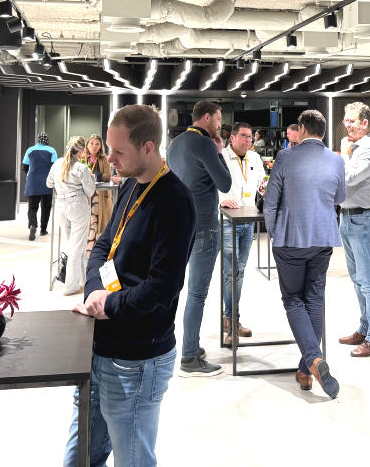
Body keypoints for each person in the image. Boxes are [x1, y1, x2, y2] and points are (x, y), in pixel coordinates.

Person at [65, 104, 195, 467]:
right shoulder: (129, 186)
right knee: (81, 455)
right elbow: (103, 245)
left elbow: (162, 287)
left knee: (132, 459)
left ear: (148, 147)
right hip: (100, 345)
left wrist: (109, 305)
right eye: (109, 148)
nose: (109, 158)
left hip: (137, 360)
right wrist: (94, 291)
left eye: (119, 151)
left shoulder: (174, 201)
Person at [263, 109, 345, 398]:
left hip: (290, 238)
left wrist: (273, 232)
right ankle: (305, 371)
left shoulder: (286, 157)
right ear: (322, 131)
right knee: (315, 298)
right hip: (323, 237)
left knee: (293, 299)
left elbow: (270, 201)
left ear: (302, 129)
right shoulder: (336, 160)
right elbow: (340, 197)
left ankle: (313, 359)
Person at [166, 101, 232, 377]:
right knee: (196, 294)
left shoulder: (175, 144)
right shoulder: (205, 144)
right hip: (204, 226)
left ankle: (186, 345)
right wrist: (219, 153)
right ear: (206, 118)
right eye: (218, 119)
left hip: (180, 226)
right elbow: (225, 183)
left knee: (179, 291)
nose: (220, 124)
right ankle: (190, 357)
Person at [337, 102, 370, 358]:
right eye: (346, 120)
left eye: (352, 121)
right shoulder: (353, 147)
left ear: (365, 123)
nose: (347, 125)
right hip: (347, 216)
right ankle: (365, 327)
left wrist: (343, 154)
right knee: (357, 278)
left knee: (368, 280)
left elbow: (349, 178)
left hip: (365, 218)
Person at [218, 122, 266, 345]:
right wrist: (221, 201)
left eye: (250, 137)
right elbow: (210, 185)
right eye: (244, 136)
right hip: (228, 221)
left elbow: (263, 184)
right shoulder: (221, 157)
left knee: (238, 272)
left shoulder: (255, 158)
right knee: (231, 273)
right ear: (232, 138)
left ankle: (231, 318)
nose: (248, 140)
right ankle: (231, 320)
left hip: (249, 222)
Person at [48, 137, 96, 296]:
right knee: (76, 247)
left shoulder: (57, 164)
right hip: (78, 207)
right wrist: (92, 178)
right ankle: (71, 286)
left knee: (75, 246)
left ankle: (83, 280)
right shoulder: (82, 168)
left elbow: (49, 183)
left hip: (61, 206)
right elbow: (90, 191)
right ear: (81, 151)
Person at [23, 132, 58, 240]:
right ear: (47, 140)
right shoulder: (52, 150)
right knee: (46, 207)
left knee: (32, 207)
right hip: (47, 183)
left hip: (33, 182)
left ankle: (33, 225)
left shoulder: (30, 150)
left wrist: (31, 174)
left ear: (38, 139)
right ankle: (43, 229)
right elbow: (55, 168)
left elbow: (25, 167)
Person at [85, 134, 113, 257]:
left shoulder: (104, 159)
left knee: (101, 225)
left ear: (101, 146)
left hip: (101, 196)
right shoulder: (83, 158)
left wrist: (96, 176)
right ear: (87, 145)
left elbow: (108, 175)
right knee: (90, 224)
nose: (94, 146)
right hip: (87, 196)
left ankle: (98, 252)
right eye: (91, 143)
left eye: (97, 144)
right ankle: (88, 251)